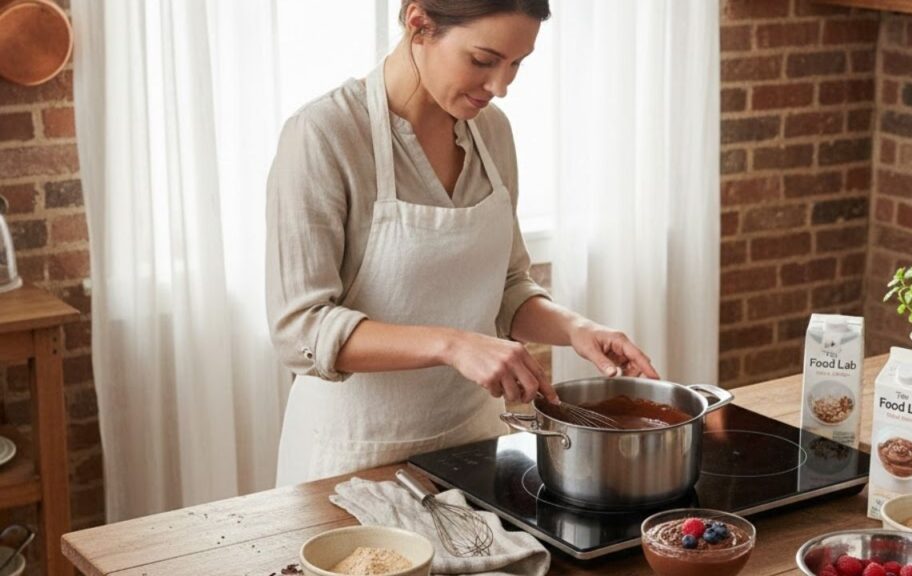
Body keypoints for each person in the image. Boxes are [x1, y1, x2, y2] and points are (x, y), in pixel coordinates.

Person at [266, 0, 659, 487]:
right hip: (354, 459)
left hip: (473, 447)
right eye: (484, 60)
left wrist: (576, 328)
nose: (501, 87)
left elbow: (508, 286)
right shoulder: (324, 136)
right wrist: (452, 344)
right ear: (419, 23)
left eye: (517, 64)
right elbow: (299, 329)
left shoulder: (492, 133)